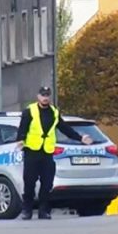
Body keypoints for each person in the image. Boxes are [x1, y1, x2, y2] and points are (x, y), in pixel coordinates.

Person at [16, 86, 92, 220]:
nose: (45, 98)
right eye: (43, 95)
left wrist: (80, 138)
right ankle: (27, 209)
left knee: (47, 183)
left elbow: (64, 128)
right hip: (32, 151)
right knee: (29, 182)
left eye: (47, 95)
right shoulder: (30, 111)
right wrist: (21, 140)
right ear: (38, 96)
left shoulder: (54, 112)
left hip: (47, 152)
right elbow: (23, 127)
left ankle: (44, 210)